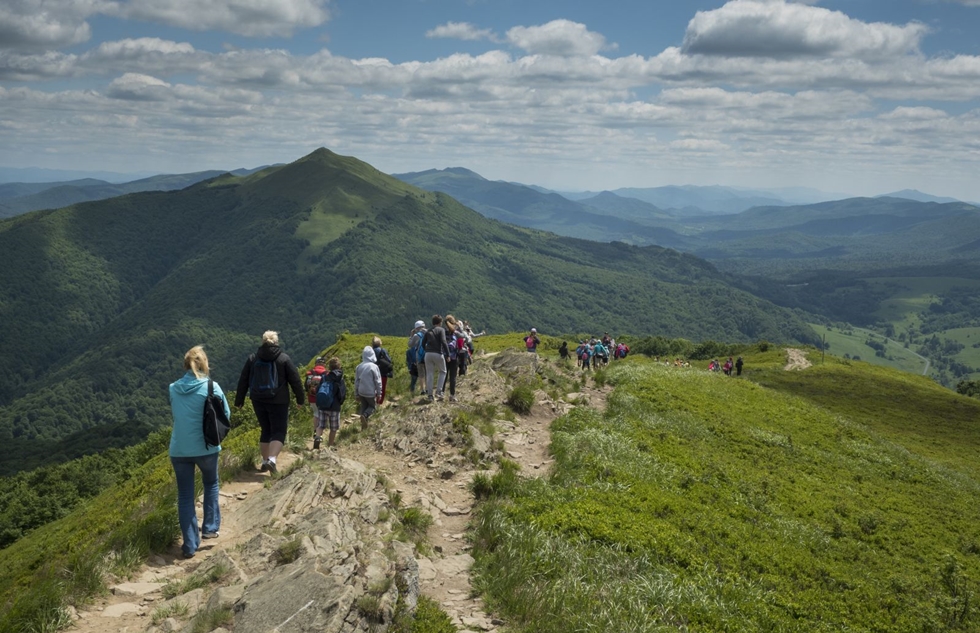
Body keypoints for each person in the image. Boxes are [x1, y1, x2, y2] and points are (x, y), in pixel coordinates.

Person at [169, 345, 229, 559]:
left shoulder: (173, 388)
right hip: (206, 447)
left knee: (185, 495)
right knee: (211, 483)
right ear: (204, 364)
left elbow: (176, 414)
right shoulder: (212, 386)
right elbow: (226, 415)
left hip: (179, 449)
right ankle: (210, 528)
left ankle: (190, 545)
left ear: (185, 365)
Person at [235, 330, 304, 475]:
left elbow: (244, 379)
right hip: (279, 400)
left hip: (258, 399)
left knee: (265, 429)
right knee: (279, 431)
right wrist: (300, 399)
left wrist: (239, 400)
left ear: (263, 341)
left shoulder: (253, 358)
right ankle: (272, 459)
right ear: (276, 342)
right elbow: (295, 380)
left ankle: (265, 461)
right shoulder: (283, 359)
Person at [316, 357, 346, 448]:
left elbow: (318, 390)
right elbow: (342, 393)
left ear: (329, 367)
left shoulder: (324, 377)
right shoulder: (340, 379)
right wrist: (340, 402)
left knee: (321, 425)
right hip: (334, 407)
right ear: (339, 366)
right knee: (333, 428)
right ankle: (330, 446)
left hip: (323, 405)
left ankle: (317, 438)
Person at [355, 346, 383, 429]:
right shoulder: (374, 367)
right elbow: (378, 381)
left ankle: (363, 425)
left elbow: (356, 381)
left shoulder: (359, 367)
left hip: (361, 391)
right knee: (372, 407)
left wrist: (356, 394)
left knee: (364, 406)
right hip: (370, 392)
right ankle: (365, 416)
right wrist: (379, 393)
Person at [423, 314, 450, 401]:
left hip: (428, 354)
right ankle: (439, 391)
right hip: (438, 353)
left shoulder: (428, 331)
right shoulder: (441, 330)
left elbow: (423, 343)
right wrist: (448, 354)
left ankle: (430, 395)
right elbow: (443, 341)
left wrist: (426, 349)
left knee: (429, 374)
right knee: (443, 371)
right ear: (440, 322)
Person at [304, 357, 328, 439]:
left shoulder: (310, 373)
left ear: (316, 363)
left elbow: (306, 386)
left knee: (316, 413)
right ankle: (319, 433)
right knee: (323, 414)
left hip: (312, 397)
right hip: (323, 397)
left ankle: (315, 431)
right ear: (324, 364)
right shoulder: (326, 373)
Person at [407, 320, 427, 396]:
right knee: (428, 373)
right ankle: (428, 389)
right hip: (428, 355)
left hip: (419, 356)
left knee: (421, 374)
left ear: (416, 328)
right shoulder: (429, 332)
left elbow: (410, 345)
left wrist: (411, 335)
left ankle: (423, 390)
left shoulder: (416, 336)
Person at [372, 336, 394, 404]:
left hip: (372, 372)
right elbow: (389, 360)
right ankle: (379, 402)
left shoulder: (371, 351)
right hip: (382, 372)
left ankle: (372, 403)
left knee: (373, 388)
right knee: (382, 388)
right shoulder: (383, 350)